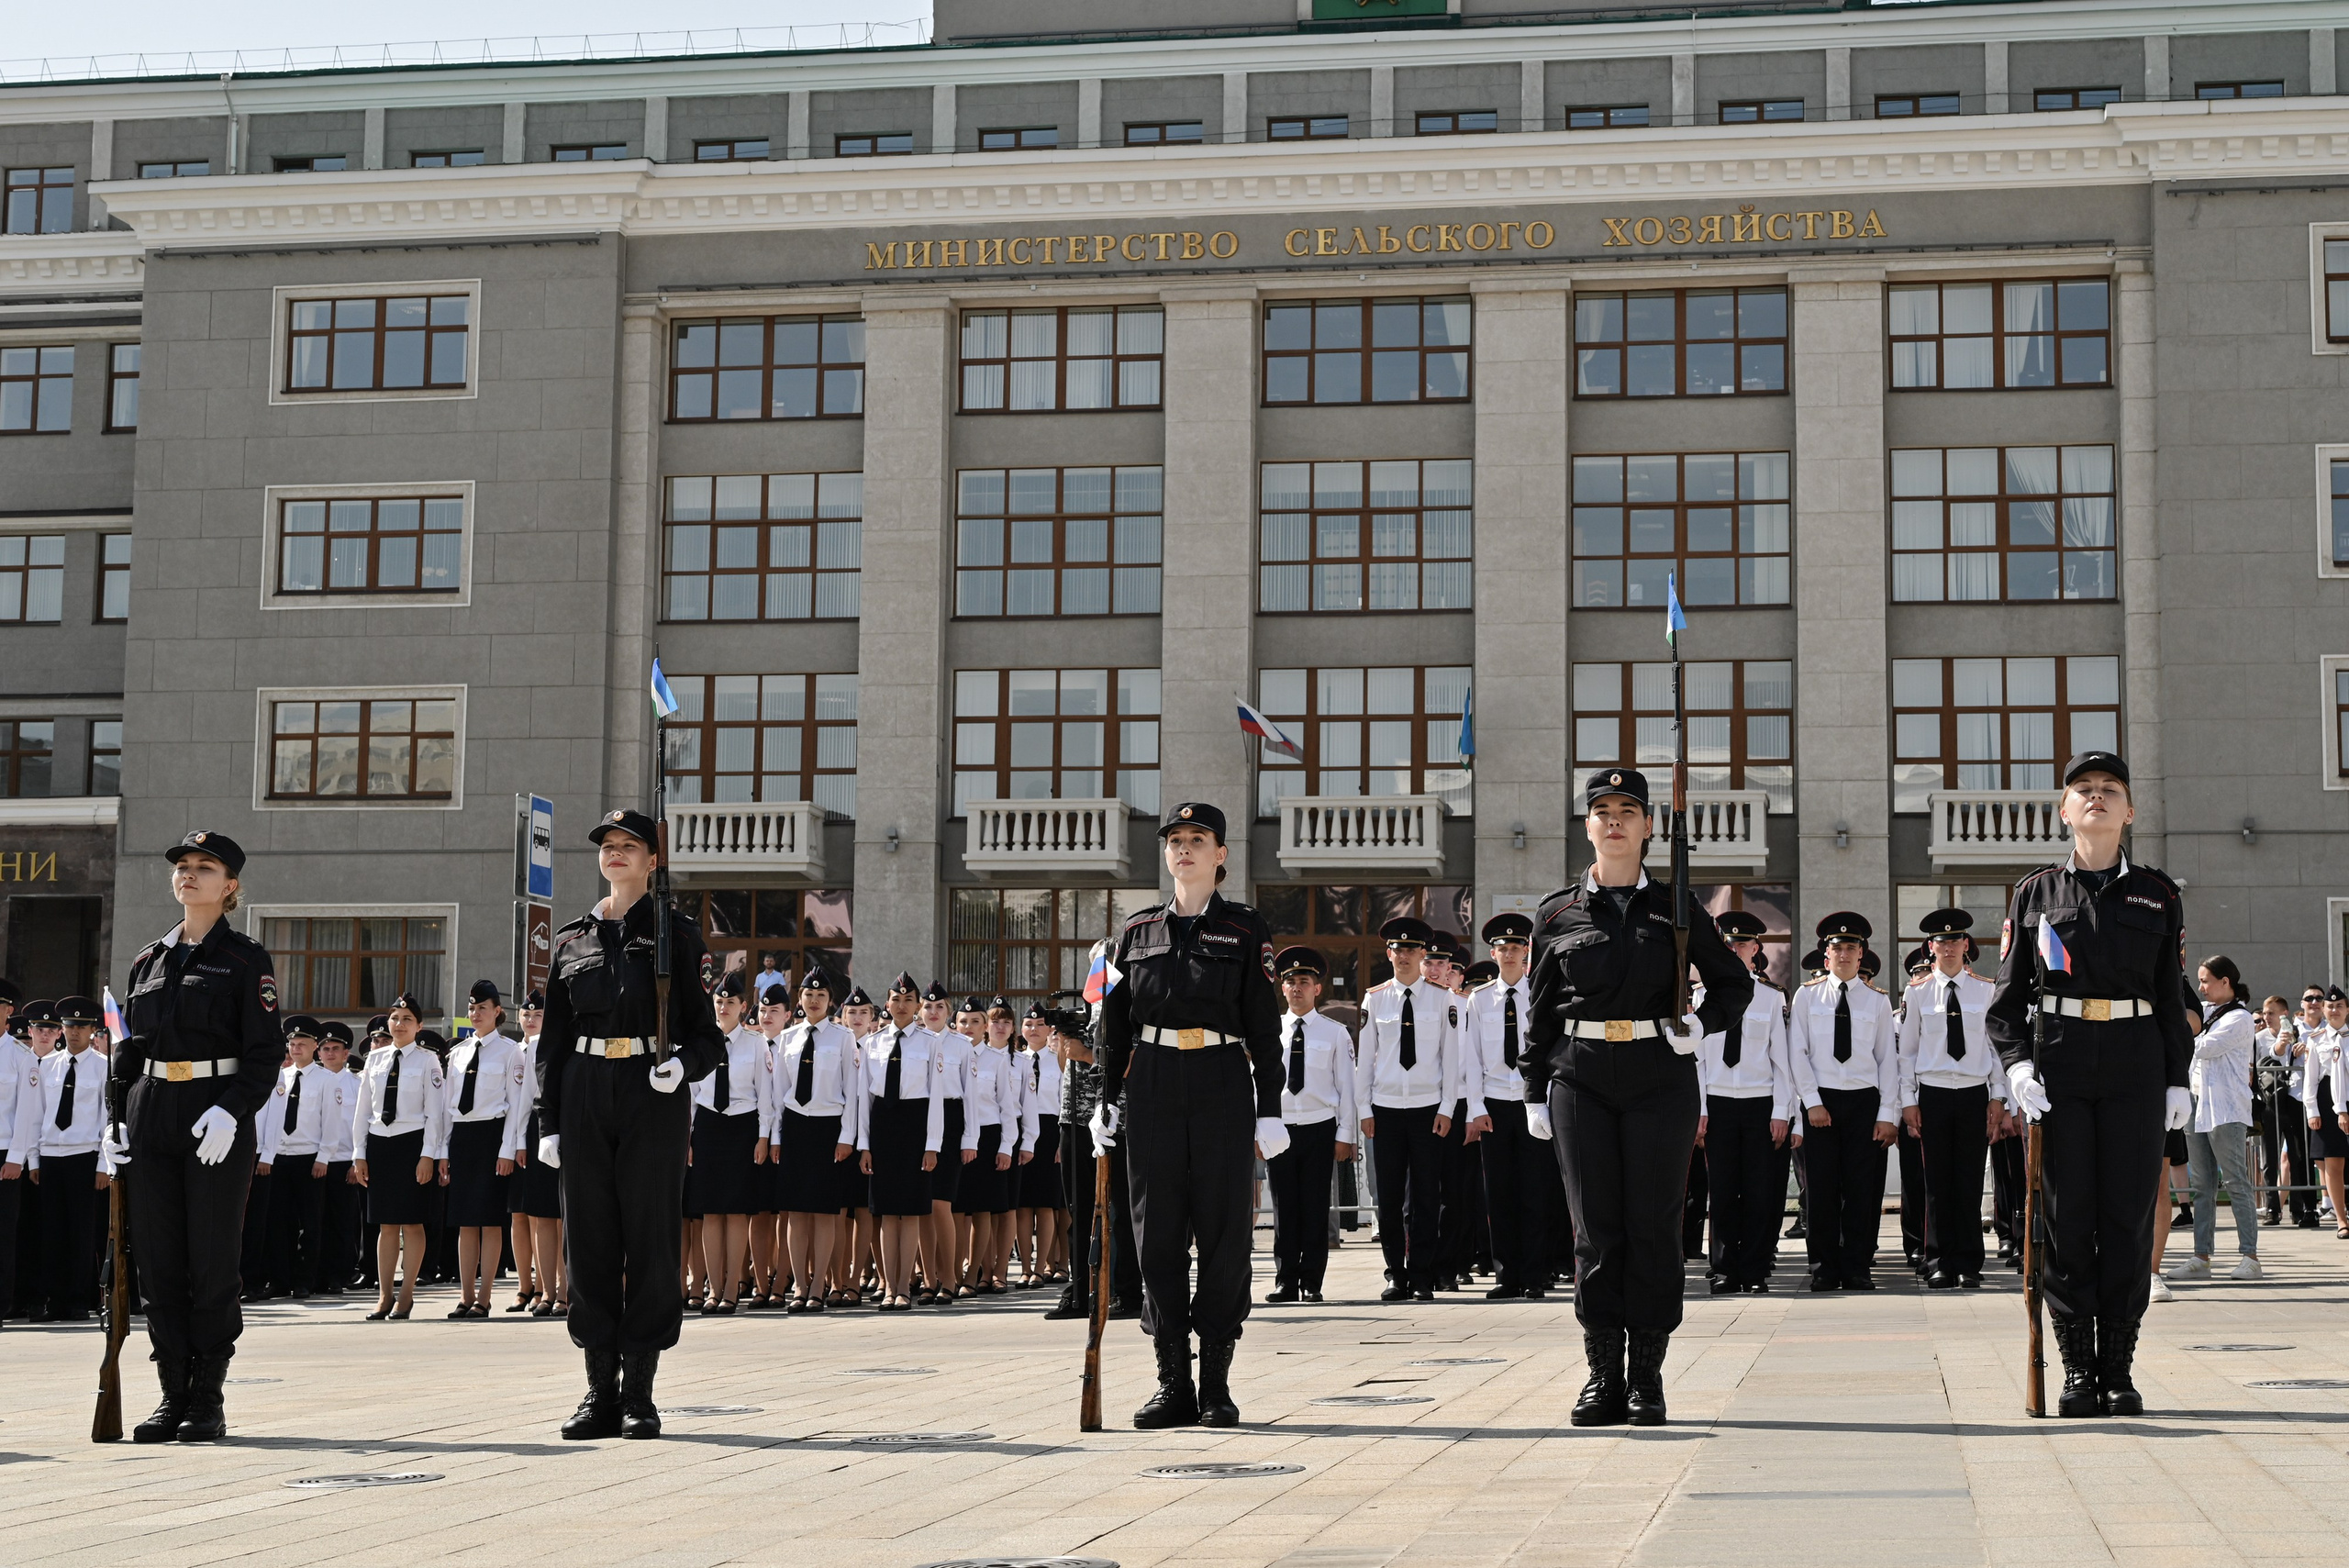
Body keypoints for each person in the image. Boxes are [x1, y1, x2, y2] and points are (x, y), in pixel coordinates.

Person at [1522, 768, 1752, 1428]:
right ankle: (1603, 1374)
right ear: (1588, 825)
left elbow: (1733, 986)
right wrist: (1534, 1087)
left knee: (1653, 1225)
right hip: (1579, 1075)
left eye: (1629, 808)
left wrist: (1698, 1026)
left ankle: (1647, 1375)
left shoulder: (1677, 908)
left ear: (1650, 825)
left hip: (1659, 1073)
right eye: (1603, 809)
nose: (1615, 819)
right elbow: (1538, 1010)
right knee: (1596, 1228)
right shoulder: (1557, 911)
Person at [1990, 751, 2191, 1418]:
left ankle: (2118, 1369)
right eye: (2084, 790)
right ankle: (2077, 1366)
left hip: (2135, 1065)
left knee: (2128, 1219)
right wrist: (2018, 1067)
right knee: (2067, 1217)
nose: (2097, 798)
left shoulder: (2157, 894)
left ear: (2129, 811)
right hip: (2064, 1064)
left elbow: (2170, 998)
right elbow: (2006, 1002)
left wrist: (2175, 1078)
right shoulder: (2035, 893)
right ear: (2065, 810)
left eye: (2110, 790)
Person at [533, 807, 727, 1440]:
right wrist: (550, 1121)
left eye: (628, 846)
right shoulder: (570, 940)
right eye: (607, 846)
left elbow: (707, 1035)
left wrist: (685, 1067)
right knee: (587, 1241)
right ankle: (599, 1391)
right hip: (585, 1090)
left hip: (651, 1091)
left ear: (651, 859)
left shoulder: (677, 934)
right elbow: (552, 1044)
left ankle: (639, 1392)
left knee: (648, 1239)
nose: (615, 853)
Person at [1093, 802, 1286, 1429]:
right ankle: (1172, 1379)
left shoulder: (1247, 928)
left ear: (1220, 853)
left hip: (1222, 1084)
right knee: (1156, 1237)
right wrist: (1104, 1099)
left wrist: (1270, 1108)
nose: (1184, 849)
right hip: (1151, 1084)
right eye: (1175, 839)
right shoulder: (1136, 930)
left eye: (1197, 839)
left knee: (1225, 1235)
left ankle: (1216, 1383)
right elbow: (1113, 1027)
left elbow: (1264, 1026)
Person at [110, 830, 284, 1442]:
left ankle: (207, 1396)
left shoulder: (245, 960)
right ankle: (171, 1393)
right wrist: (115, 1121)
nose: (189, 874)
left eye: (204, 867)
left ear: (229, 885)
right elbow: (131, 1051)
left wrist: (234, 1110)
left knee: (210, 1260)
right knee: (158, 1260)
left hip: (214, 1117)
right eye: (182, 865)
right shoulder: (146, 960)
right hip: (153, 1111)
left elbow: (266, 1054)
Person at [1895, 909, 2010, 1290]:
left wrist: (1998, 1096)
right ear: (1931, 948)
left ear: (1966, 945)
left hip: (1974, 1093)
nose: (1947, 948)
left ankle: (1968, 1263)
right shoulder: (1917, 991)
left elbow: (1995, 1049)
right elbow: (1907, 1052)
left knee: (1969, 1180)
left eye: (1954, 941)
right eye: (1940, 942)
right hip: (1933, 1092)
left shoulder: (1986, 988)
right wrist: (1908, 1100)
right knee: (1935, 1182)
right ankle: (1938, 1260)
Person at [1787, 912, 1898, 1292]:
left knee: (1861, 1190)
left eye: (1852, 948)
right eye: (1837, 948)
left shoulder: (1877, 1001)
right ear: (1826, 955)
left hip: (1864, 1103)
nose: (1844, 954)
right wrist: (1812, 1103)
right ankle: (1822, 1267)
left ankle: (1857, 1267)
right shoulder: (1807, 995)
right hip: (1822, 1101)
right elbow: (1796, 1052)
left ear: (1862, 953)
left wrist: (1887, 1114)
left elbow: (1888, 1061)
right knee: (1819, 1190)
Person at [1355, 917, 1460, 1303]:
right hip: (1384, 1109)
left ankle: (1421, 1276)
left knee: (1426, 1198)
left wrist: (1447, 1107)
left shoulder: (1442, 997)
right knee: (1390, 1196)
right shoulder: (1375, 998)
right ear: (1389, 954)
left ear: (1422, 954)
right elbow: (1366, 1058)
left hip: (1426, 1108)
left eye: (1411, 950)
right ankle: (1395, 1275)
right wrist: (1363, 1107)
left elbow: (1451, 1058)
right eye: (1397, 950)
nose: (1403, 955)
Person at [1695, 912, 1794, 1296]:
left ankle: (1753, 1271)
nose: (1736, 950)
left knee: (1757, 1191)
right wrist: (1699, 1109)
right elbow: (1697, 1060)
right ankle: (1723, 1270)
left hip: (1758, 1103)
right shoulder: (1703, 997)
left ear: (1756, 949)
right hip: (1717, 1102)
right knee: (1720, 1192)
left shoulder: (1770, 997)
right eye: (1729, 945)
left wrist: (1781, 1112)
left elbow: (1780, 1059)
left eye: (1743, 944)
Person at [1461, 914, 1556, 1301]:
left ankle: (1535, 1274)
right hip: (1495, 1105)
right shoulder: (1479, 999)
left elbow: (1552, 1050)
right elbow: (1470, 1057)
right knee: (1499, 1194)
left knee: (1537, 1191)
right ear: (1493, 953)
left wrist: (1548, 1101)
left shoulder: (1542, 993)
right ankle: (1506, 1275)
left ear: (1526, 952)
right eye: (1503, 948)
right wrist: (1475, 1108)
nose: (1510, 954)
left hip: (1534, 1102)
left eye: (1516, 948)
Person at [1264, 945, 1356, 1305]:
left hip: (1320, 1128)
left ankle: (1311, 1283)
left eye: (1305, 981)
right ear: (1281, 988)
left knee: (1316, 1208)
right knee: (1284, 1210)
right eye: (1291, 982)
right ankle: (1286, 1280)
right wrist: (1260, 1130)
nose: (1297, 988)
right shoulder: (1270, 1032)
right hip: (1281, 1129)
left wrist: (1345, 1136)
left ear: (1318, 988)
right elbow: (1261, 1084)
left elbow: (1346, 1088)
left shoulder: (1335, 1033)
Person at [2165, 956, 2263, 1284]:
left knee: (2235, 1182)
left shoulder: (2239, 1017)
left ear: (2226, 982)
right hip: (2198, 1107)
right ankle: (2201, 1256)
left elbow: (2202, 1047)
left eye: (2206, 981)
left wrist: (2182, 1033)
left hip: (2226, 1109)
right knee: (2202, 1186)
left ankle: (2249, 1255)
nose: (2202, 987)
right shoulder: (2207, 1013)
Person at [351, 999, 450, 1320]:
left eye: (407, 1019)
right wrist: (359, 1153)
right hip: (381, 1144)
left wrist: (428, 1156)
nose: (400, 1024)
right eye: (395, 1018)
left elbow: (435, 1113)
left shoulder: (428, 1061)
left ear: (419, 1026)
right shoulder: (375, 1059)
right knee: (386, 1223)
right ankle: (384, 1295)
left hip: (412, 1144)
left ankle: (406, 1294)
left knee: (412, 1221)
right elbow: (363, 1110)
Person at [440, 981, 529, 1318]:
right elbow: (450, 1105)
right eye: (472, 1008)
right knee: (465, 1221)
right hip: (462, 1138)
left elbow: (515, 1104)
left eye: (482, 1009)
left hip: (493, 1137)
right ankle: (465, 1295)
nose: (475, 1014)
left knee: (490, 1221)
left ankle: (485, 1295)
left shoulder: (511, 1052)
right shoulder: (458, 1053)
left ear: (497, 1013)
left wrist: (508, 1149)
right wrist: (444, 1151)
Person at [774, 968, 860, 1313]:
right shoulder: (787, 1038)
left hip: (828, 1127)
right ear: (800, 999)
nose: (814, 1001)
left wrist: (847, 1136)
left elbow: (851, 1092)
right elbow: (779, 1092)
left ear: (830, 1001)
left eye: (821, 996)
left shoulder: (843, 1038)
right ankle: (798, 1284)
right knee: (796, 1212)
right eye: (808, 995)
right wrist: (775, 1136)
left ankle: (820, 1284)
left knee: (825, 1212)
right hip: (795, 1127)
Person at [859, 973, 943, 1311]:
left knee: (909, 1212)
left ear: (918, 1006)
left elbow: (936, 1098)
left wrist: (932, 1144)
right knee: (885, 1212)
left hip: (914, 1126)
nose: (902, 1006)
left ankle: (905, 1286)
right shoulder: (872, 1043)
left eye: (909, 1000)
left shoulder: (929, 1042)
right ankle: (889, 1286)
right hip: (882, 1127)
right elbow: (864, 1100)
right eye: (896, 1000)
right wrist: (864, 1143)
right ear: (888, 1004)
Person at [688, 973, 773, 1315]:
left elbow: (765, 1095)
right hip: (708, 1126)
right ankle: (713, 1287)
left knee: (736, 1214)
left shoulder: (756, 1044)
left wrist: (764, 1136)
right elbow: (691, 1097)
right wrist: (688, 1139)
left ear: (743, 1007)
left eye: (730, 1003)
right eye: (719, 1002)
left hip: (742, 1127)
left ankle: (733, 1289)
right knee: (710, 1212)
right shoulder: (701, 1041)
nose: (723, 1008)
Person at [29, 995, 114, 1320]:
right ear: (61, 1029)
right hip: (51, 1156)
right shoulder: (47, 1065)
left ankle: (79, 1299)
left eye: (81, 1026)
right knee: (52, 1232)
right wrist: (34, 1160)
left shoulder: (102, 1066)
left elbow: (108, 1119)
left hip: (84, 1156)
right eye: (69, 1026)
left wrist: (103, 1165)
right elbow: (37, 1116)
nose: (74, 1032)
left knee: (81, 1232)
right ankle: (56, 1299)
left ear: (93, 1030)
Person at [260, 1017, 334, 1299]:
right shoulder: (280, 1078)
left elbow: (332, 1121)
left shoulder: (326, 1079)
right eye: (292, 1043)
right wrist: (268, 1153)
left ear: (316, 1046)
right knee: (279, 1222)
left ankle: (305, 1280)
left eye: (302, 1043)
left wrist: (324, 1156)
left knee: (310, 1223)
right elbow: (271, 1120)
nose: (296, 1048)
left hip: (309, 1158)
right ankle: (280, 1279)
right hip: (280, 1157)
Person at [507, 993, 565, 1317]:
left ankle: (567, 1291)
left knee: (565, 1217)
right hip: (542, 1129)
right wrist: (519, 1143)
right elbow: (526, 1099)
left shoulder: (575, 1038)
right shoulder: (536, 1047)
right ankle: (547, 1290)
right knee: (543, 1216)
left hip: (574, 1127)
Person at [312, 1023, 361, 1296]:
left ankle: (338, 1275)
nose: (329, 1054)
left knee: (341, 1221)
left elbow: (360, 1124)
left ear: (346, 1054)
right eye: (325, 1049)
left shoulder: (357, 1085)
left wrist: (357, 1160)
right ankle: (315, 1273)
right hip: (314, 1159)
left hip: (343, 1160)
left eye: (335, 1049)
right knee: (314, 1221)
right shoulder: (310, 1081)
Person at [0, 978, 37, 1327]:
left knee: (2, 1233)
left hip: (3, 1156)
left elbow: (26, 1111)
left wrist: (16, 1157)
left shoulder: (20, 1056)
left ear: (8, 1011)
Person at [2301, 987, 2349, 1235]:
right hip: (2326, 1100)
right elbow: (2310, 1078)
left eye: (2339, 1006)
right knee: (2333, 1162)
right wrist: (2312, 1110)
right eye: (2330, 1007)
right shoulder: (2316, 1039)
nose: (2334, 1010)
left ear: (2347, 1010)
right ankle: (2341, 1220)